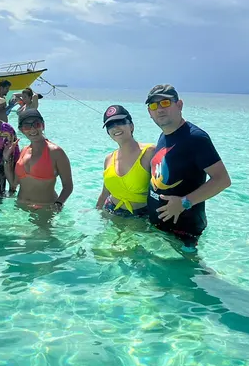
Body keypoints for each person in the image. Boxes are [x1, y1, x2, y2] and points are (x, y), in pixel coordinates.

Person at [144, 84, 231, 250]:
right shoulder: (164, 135)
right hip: (159, 229)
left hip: (184, 232)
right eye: (154, 106)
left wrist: (184, 202)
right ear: (150, 113)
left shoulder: (196, 138)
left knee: (190, 273)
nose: (159, 109)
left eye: (165, 103)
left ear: (179, 105)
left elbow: (222, 180)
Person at [3, 109, 73, 210]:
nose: (32, 130)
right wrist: (6, 158)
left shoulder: (56, 152)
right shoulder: (23, 151)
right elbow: (14, 184)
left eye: (36, 124)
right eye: (27, 126)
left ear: (43, 125)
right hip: (20, 207)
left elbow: (68, 186)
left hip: (44, 208)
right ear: (22, 130)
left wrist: (58, 204)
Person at [96, 104, 155, 217]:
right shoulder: (108, 159)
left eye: (120, 122)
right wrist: (96, 210)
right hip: (111, 211)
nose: (115, 127)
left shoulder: (149, 152)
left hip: (140, 217)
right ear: (108, 132)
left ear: (131, 126)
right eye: (110, 125)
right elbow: (105, 192)